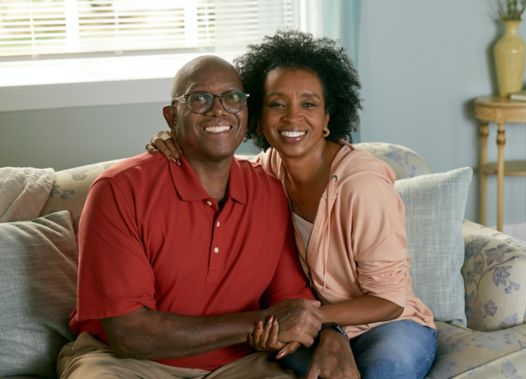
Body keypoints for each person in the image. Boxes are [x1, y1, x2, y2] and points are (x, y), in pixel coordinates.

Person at [149, 31, 438, 379]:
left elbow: (390, 300)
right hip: (309, 329)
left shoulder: (361, 185)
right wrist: (176, 138)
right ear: (258, 117)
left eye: (308, 103)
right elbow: (213, 162)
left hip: (387, 325)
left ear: (328, 118)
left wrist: (321, 321)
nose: (292, 117)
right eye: (277, 104)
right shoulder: (264, 172)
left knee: (381, 373)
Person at [58, 55, 359, 379]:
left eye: (232, 98)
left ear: (246, 114)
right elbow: (129, 334)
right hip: (125, 363)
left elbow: (292, 299)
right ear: (172, 117)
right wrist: (257, 324)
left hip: (240, 363)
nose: (219, 110)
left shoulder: (270, 191)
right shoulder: (119, 191)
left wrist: (333, 335)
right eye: (199, 99)